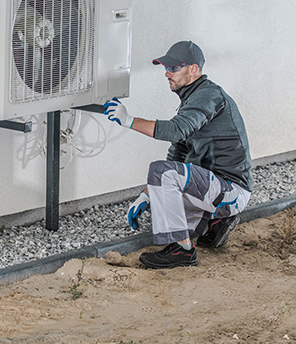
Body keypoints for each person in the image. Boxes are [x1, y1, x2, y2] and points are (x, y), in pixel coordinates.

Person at [103, 40, 252, 269]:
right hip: (215, 187)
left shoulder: (208, 95)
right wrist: (147, 194)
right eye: (166, 68)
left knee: (161, 175)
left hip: (231, 189)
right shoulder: (192, 100)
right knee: (160, 201)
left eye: (173, 68)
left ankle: (182, 250)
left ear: (193, 69)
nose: (166, 74)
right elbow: (177, 153)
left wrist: (128, 120)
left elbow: (175, 130)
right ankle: (214, 225)